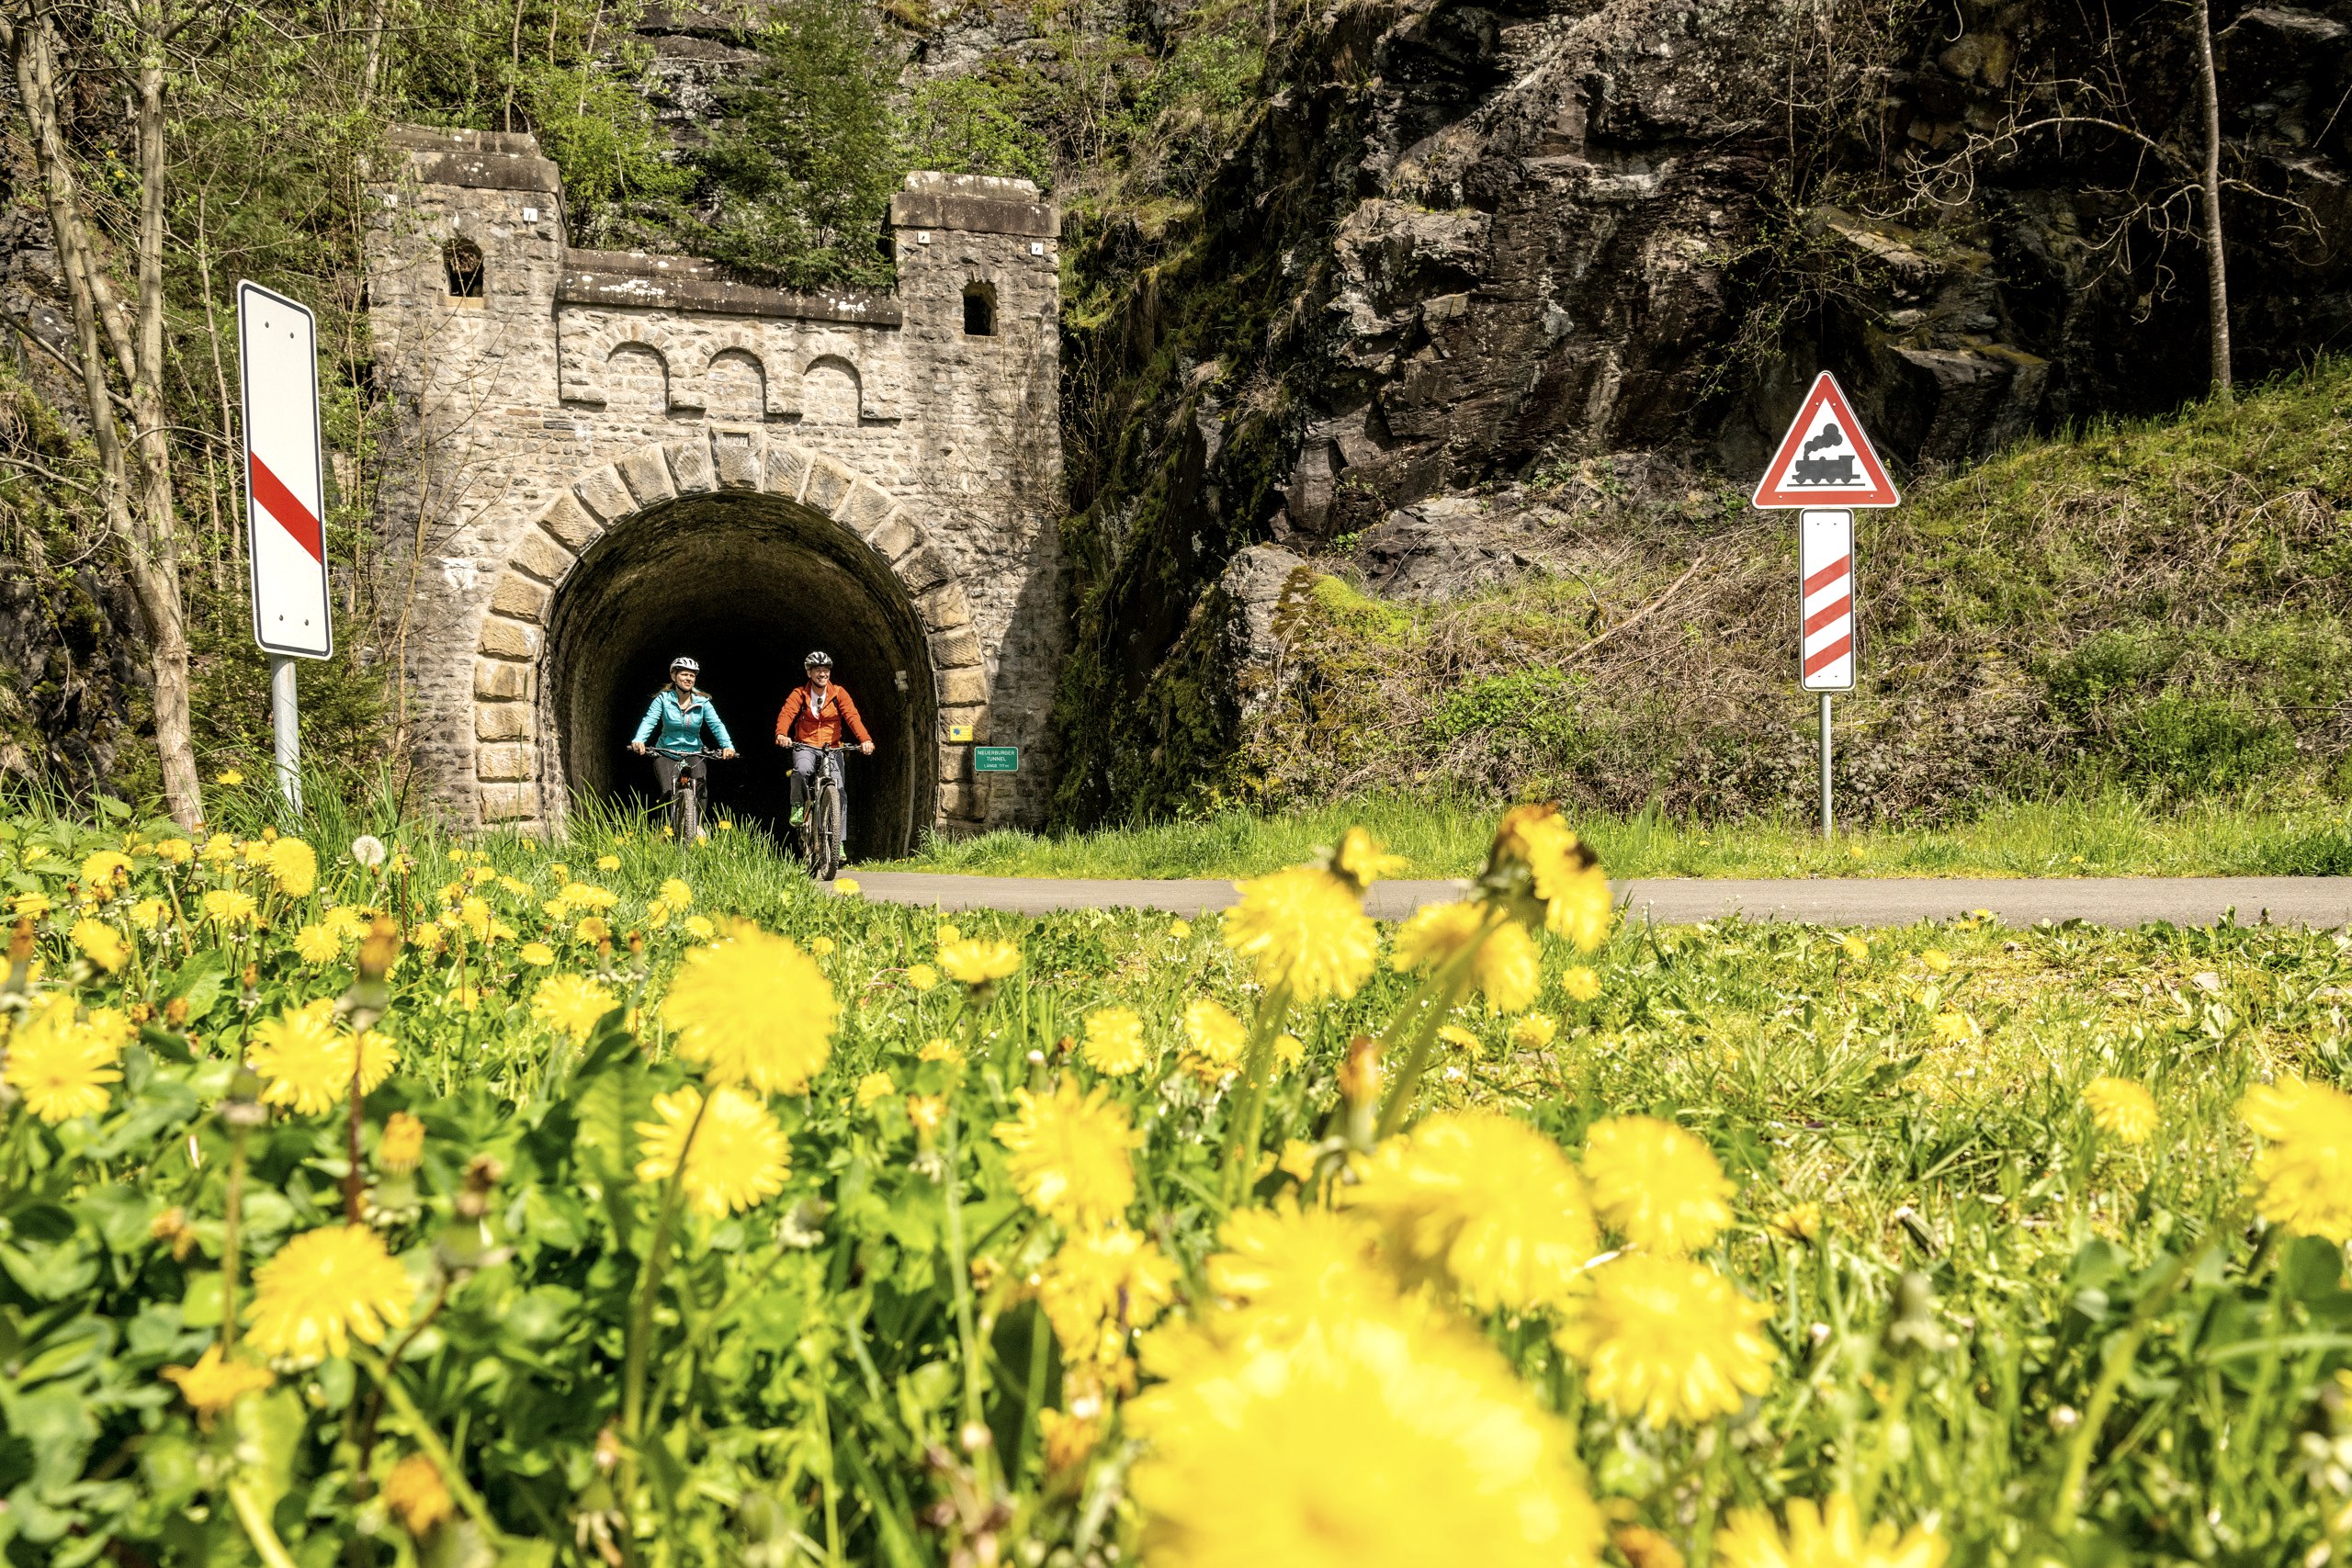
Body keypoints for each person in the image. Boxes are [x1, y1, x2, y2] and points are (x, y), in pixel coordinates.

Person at [773, 651, 874, 835]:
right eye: (818, 670)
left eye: (826, 670)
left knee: (839, 791)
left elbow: (852, 717)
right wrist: (781, 734)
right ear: (809, 673)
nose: (823, 674)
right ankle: (798, 805)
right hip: (806, 745)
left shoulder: (838, 693)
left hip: (832, 747)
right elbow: (787, 714)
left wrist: (865, 739)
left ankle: (838, 840)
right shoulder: (800, 694)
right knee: (801, 770)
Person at [629, 658, 737, 818]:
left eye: (692, 676)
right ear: (674, 676)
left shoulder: (702, 702)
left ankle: (697, 826)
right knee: (668, 790)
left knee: (701, 789)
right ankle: (666, 826)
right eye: (684, 674)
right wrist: (639, 740)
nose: (688, 679)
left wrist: (727, 746)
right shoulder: (663, 699)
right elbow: (649, 720)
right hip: (666, 752)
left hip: (694, 753)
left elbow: (716, 724)